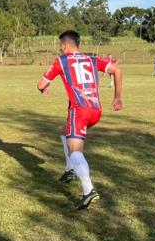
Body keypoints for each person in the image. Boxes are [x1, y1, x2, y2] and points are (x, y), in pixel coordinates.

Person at [37, 30, 122, 209]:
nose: (60, 48)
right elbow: (116, 70)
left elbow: (41, 84)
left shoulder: (62, 60)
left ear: (66, 45)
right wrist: (117, 98)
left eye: (61, 45)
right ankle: (69, 170)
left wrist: (43, 88)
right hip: (95, 110)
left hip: (80, 110)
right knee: (65, 132)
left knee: (75, 150)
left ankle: (88, 190)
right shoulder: (91, 59)